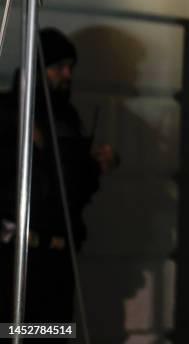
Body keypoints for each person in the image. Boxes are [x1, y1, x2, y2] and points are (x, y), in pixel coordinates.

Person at [0, 27, 117, 325]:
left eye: (70, 67)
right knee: (12, 330)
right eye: (58, 67)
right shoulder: (10, 113)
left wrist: (95, 165)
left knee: (54, 332)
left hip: (58, 258)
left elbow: (74, 188)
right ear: (40, 69)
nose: (67, 75)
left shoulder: (69, 117)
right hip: (17, 255)